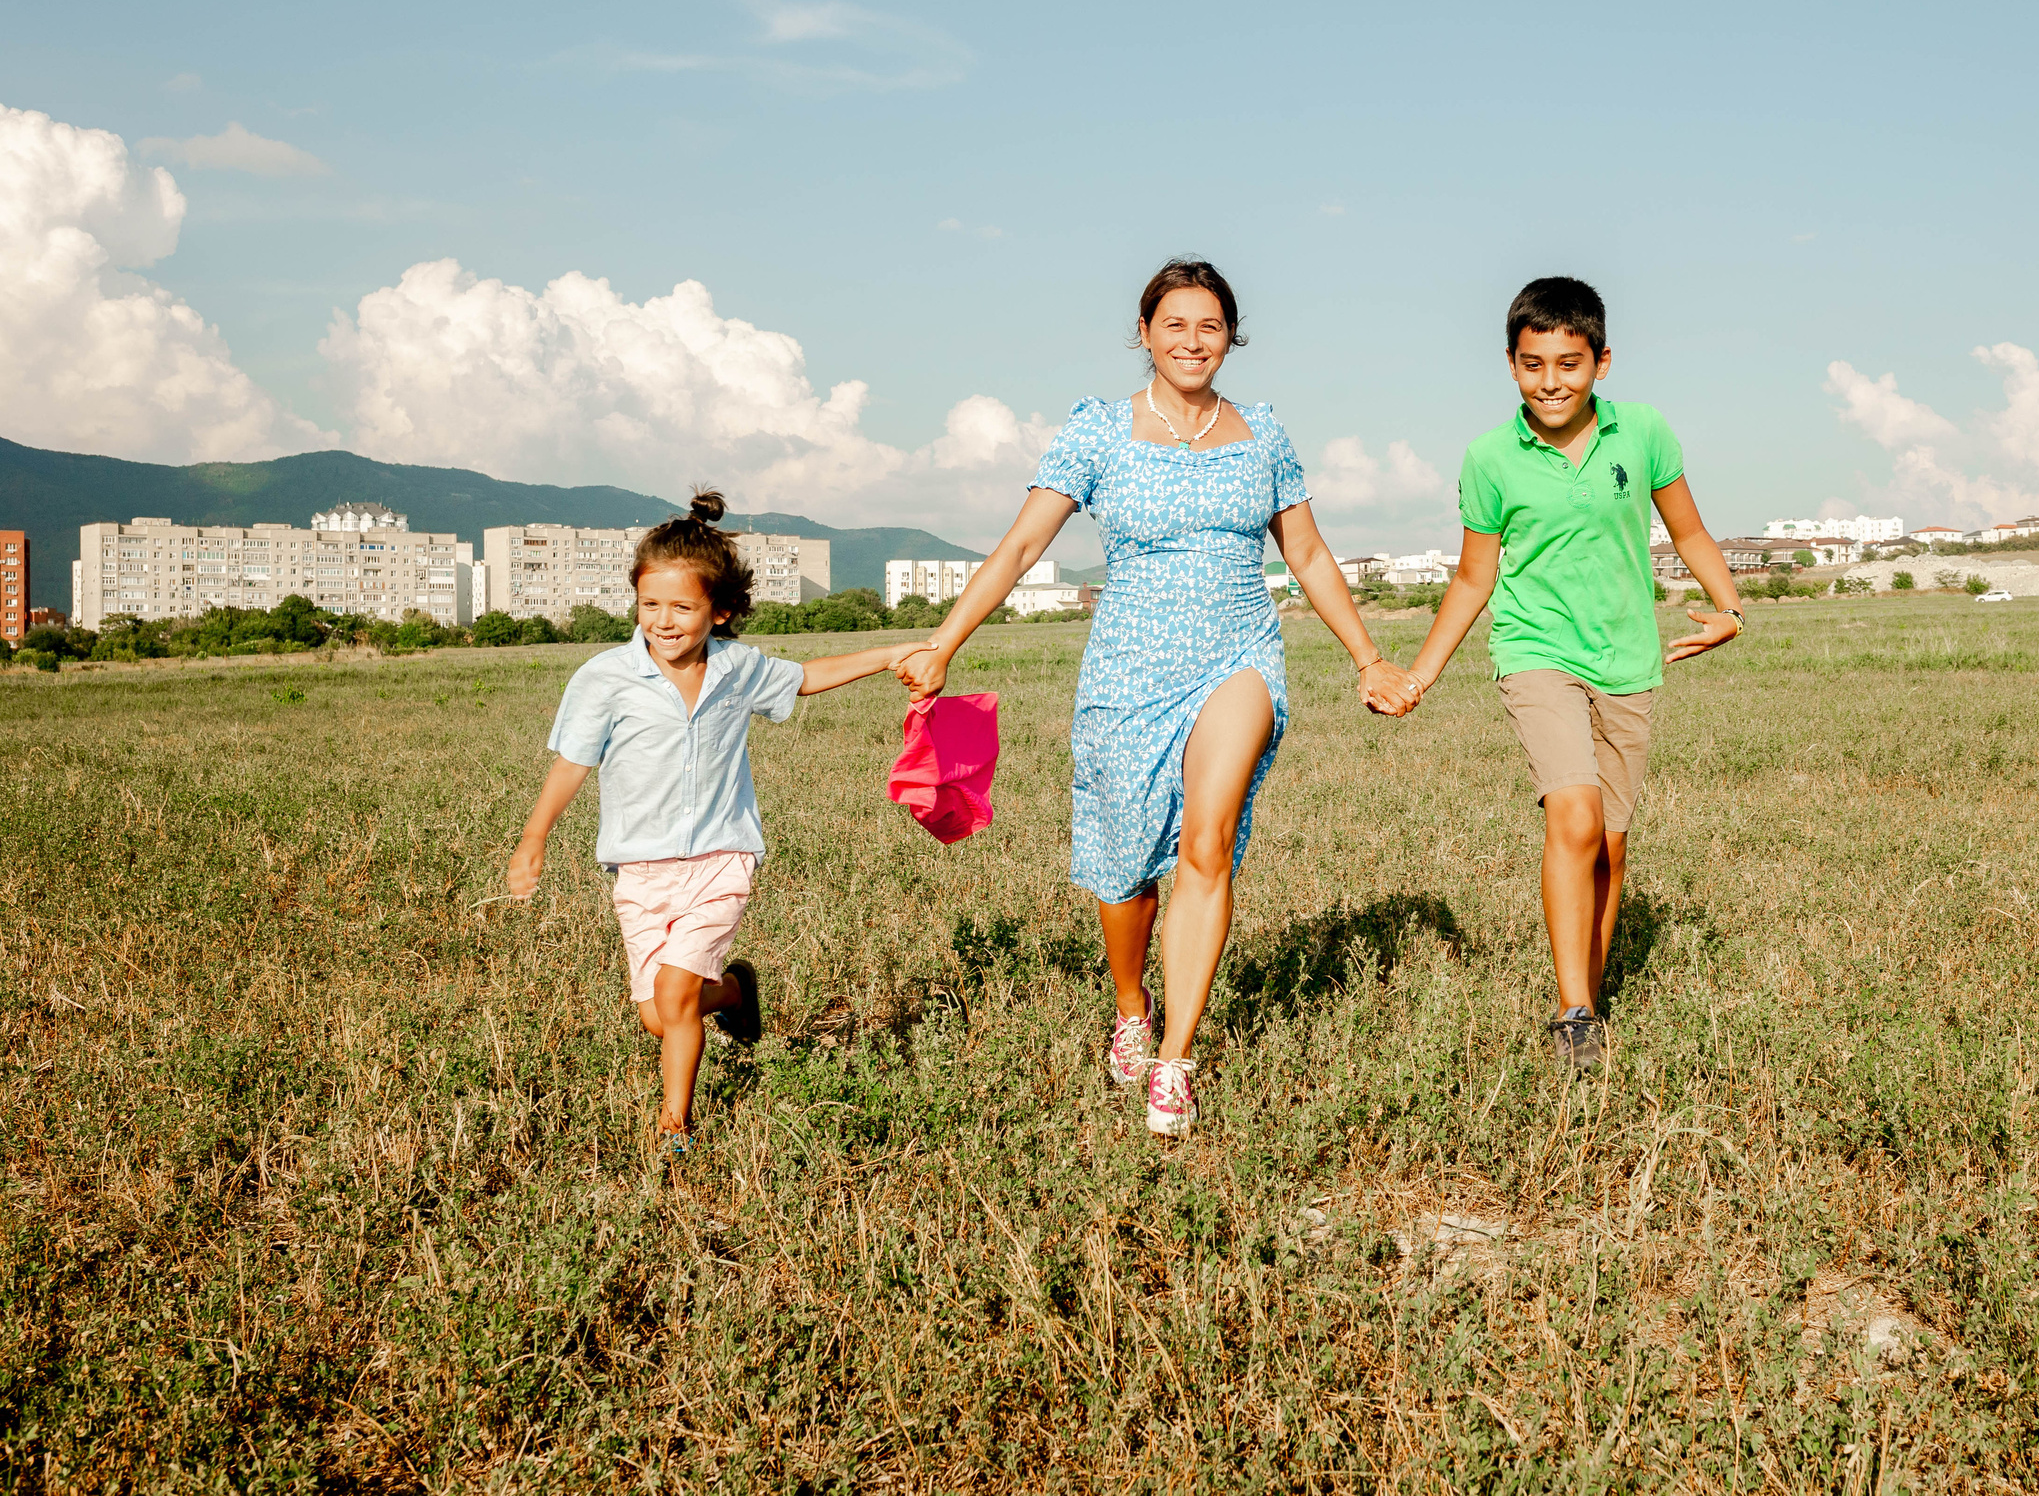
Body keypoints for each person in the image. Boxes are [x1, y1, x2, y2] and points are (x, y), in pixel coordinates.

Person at [896, 257, 1415, 1136]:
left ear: (1230, 337)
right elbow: (1023, 548)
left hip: (1238, 656)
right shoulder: (1096, 432)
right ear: (1144, 334)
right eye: (1175, 324)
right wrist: (945, 641)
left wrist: (1369, 657)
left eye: (1210, 325)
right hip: (1128, 668)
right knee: (1126, 866)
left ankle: (1175, 1056)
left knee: (1208, 843)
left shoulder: (1265, 435)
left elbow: (1311, 557)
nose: (1193, 340)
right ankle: (1131, 1006)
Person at [1400, 276, 1744, 1067]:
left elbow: (1687, 530)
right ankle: (1574, 1012)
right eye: (1532, 364)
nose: (1551, 381)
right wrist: (1420, 673)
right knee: (1575, 815)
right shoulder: (1490, 457)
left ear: (1602, 361)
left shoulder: (1645, 433)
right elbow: (1472, 578)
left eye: (1569, 363)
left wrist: (1729, 604)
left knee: (1610, 847)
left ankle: (1589, 986)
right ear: (1511, 365)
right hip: (1536, 651)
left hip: (1627, 658)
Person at [506, 492, 915, 1158]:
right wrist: (534, 838)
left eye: (682, 607)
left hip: (723, 858)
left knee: (672, 996)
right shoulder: (604, 679)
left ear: (719, 611)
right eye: (650, 605)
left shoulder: (736, 669)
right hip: (640, 870)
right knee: (658, 1015)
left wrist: (887, 654)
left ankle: (676, 1130)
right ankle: (733, 991)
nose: (663, 621)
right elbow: (571, 764)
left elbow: (806, 677)